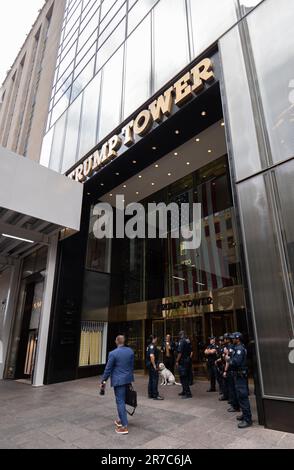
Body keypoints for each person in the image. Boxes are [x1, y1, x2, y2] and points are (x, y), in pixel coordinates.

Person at [100, 335, 134, 435]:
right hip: (127, 379)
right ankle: (120, 420)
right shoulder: (130, 351)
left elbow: (108, 369)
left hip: (118, 381)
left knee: (120, 401)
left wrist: (103, 380)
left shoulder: (113, 353)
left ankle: (124, 426)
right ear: (123, 341)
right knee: (122, 400)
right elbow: (132, 366)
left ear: (116, 341)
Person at [225, 332, 253, 429]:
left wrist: (228, 359)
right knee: (240, 396)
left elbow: (236, 362)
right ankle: (244, 415)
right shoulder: (238, 348)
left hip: (240, 375)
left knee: (243, 396)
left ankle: (247, 419)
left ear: (238, 339)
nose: (232, 339)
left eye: (234, 338)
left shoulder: (240, 349)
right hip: (238, 375)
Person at [224, 334, 240, 413]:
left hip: (232, 370)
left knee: (233, 388)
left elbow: (228, 360)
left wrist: (225, 370)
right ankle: (235, 405)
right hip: (233, 371)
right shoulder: (234, 347)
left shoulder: (231, 347)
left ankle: (235, 405)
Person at [146, 335, 164, 400]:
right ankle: (155, 395)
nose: (156, 340)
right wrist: (154, 365)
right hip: (152, 365)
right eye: (156, 338)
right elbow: (152, 356)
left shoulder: (150, 345)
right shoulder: (152, 346)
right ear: (154, 339)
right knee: (154, 380)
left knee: (151, 379)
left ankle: (150, 394)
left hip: (149, 365)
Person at [176, 331, 192, 399]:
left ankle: (188, 393)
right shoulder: (188, 341)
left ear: (181, 335)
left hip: (183, 361)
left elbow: (180, 352)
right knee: (184, 377)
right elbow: (190, 351)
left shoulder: (182, 341)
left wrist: (177, 360)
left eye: (179, 335)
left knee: (183, 377)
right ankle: (184, 391)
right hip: (187, 360)